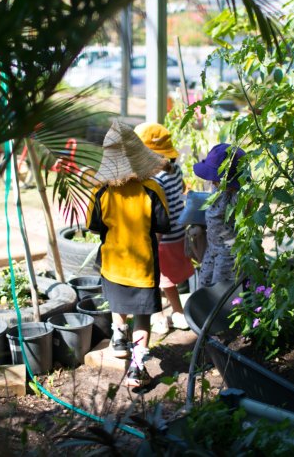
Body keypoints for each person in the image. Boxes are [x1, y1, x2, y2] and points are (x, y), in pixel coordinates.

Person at [86, 121, 171, 388]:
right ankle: (137, 368)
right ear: (139, 156)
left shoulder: (100, 191)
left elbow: (94, 226)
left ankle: (118, 338)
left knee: (117, 303)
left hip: (112, 263)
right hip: (143, 267)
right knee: (142, 317)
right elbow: (161, 226)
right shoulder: (153, 189)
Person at [134, 122, 194, 332]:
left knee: (156, 279)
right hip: (178, 234)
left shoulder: (154, 180)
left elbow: (159, 212)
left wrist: (151, 242)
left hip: (162, 238)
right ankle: (178, 313)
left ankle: (159, 317)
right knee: (168, 280)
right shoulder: (175, 170)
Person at [193, 143, 246, 287]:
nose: (213, 182)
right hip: (213, 248)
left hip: (229, 252)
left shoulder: (239, 195)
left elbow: (245, 215)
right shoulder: (217, 186)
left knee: (222, 292)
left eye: (217, 179)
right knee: (204, 285)